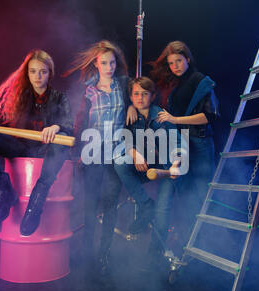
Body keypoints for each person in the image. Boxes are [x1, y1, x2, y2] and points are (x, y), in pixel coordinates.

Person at [0, 49, 73, 236]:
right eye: (33, 71)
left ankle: (36, 202)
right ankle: (5, 192)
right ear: (27, 73)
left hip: (46, 151)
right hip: (21, 148)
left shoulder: (60, 98)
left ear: (50, 73)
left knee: (62, 144)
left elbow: (69, 125)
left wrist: (56, 127)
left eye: (43, 71)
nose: (38, 76)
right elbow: (0, 120)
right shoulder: (18, 96)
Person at [63, 40, 136, 275]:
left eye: (112, 62)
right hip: (93, 153)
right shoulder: (89, 91)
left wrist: (133, 105)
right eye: (104, 62)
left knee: (110, 205)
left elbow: (143, 94)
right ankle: (86, 254)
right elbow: (81, 124)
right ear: (96, 63)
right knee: (90, 206)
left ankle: (104, 254)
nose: (109, 67)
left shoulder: (123, 85)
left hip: (115, 153)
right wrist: (77, 155)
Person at [114, 76, 187, 270]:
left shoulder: (160, 116)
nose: (140, 98)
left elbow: (179, 144)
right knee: (120, 163)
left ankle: (154, 255)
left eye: (144, 94)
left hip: (169, 168)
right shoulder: (132, 116)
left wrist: (176, 164)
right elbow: (126, 140)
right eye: (136, 94)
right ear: (130, 96)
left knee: (162, 212)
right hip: (147, 166)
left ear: (152, 96)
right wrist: (136, 155)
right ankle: (146, 205)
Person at [151, 40, 220, 206]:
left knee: (205, 194)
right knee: (188, 195)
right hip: (183, 144)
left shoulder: (199, 80)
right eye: (171, 63)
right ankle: (195, 232)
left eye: (179, 61)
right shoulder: (177, 85)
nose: (175, 66)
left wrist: (174, 119)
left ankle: (216, 232)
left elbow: (209, 116)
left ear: (187, 59)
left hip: (199, 142)